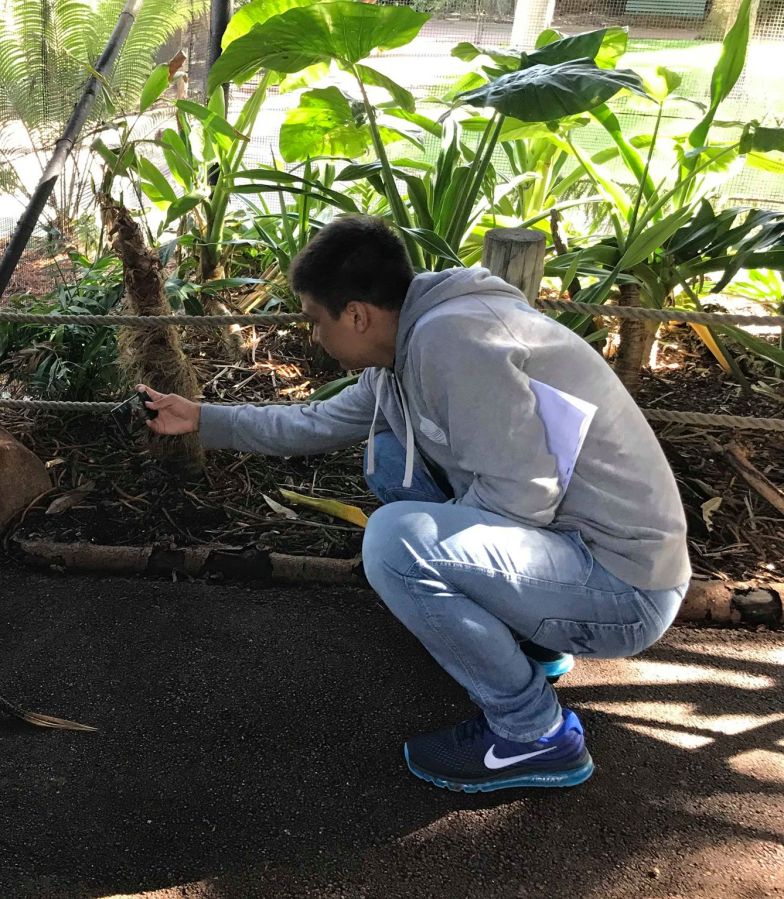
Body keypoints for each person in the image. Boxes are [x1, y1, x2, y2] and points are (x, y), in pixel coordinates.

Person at [138, 214, 690, 794]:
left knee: (395, 543)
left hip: (624, 590)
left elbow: (523, 497)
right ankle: (531, 641)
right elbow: (316, 422)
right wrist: (202, 418)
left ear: (357, 315)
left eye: (316, 321)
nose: (315, 337)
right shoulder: (407, 346)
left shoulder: (457, 342)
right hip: (569, 554)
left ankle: (533, 732)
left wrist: (430, 574)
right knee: (388, 456)